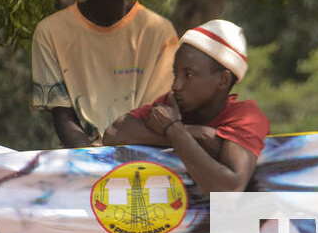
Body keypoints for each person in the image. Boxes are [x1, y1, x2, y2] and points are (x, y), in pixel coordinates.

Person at [31, 0, 178, 147]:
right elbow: (63, 116)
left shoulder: (159, 31)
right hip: (84, 162)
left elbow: (157, 115)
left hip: (146, 162)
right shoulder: (50, 32)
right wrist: (94, 162)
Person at [102, 19, 270, 193]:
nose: (176, 85)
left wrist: (175, 130)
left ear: (223, 80)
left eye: (188, 75)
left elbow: (229, 188)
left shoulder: (246, 116)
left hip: (240, 219)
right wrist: (198, 135)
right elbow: (115, 133)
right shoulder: (174, 104)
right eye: (176, 73)